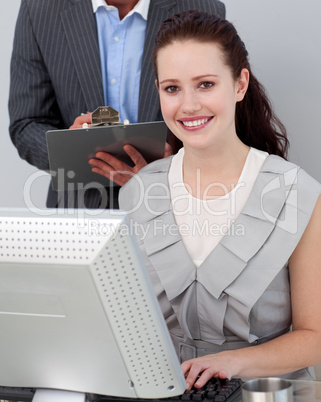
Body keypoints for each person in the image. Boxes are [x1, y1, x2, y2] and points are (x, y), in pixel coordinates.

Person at [112, 10, 321, 387]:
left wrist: (233, 362)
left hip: (265, 393)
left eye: (205, 84)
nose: (188, 105)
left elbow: (315, 336)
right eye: (172, 88)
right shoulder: (137, 193)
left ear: (239, 84)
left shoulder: (298, 193)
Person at [8, 0, 225, 209]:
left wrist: (174, 165)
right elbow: (27, 123)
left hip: (174, 205)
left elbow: (217, 119)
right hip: (79, 211)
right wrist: (69, 149)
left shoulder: (202, 8)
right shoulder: (40, 10)